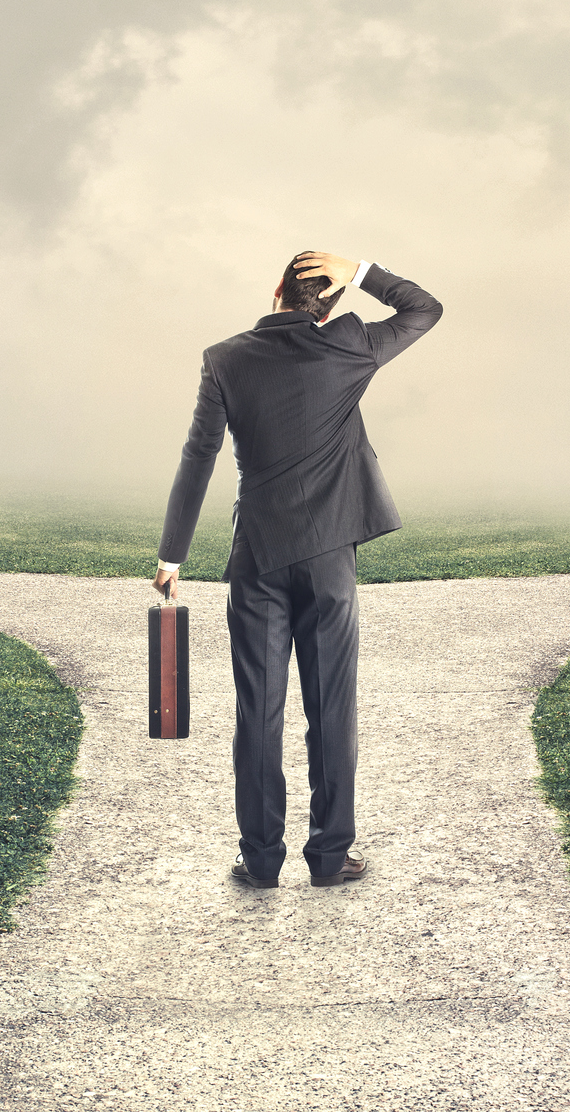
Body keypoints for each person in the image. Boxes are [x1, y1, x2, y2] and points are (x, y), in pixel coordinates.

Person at [154, 250, 443, 889]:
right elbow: (425, 307)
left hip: (256, 556)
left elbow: (198, 456)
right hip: (329, 558)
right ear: (332, 300)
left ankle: (260, 861)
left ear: (276, 289)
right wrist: (362, 268)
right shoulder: (350, 346)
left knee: (258, 709)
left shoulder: (225, 357)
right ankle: (330, 856)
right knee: (331, 706)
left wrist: (172, 555)